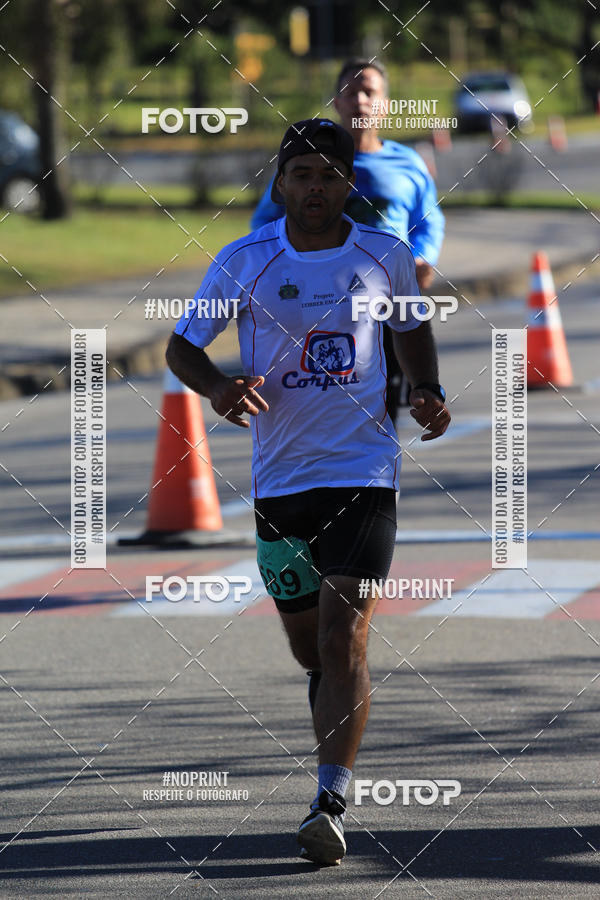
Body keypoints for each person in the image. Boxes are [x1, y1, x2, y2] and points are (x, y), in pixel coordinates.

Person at [166, 118, 450, 866]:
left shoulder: (382, 253)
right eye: (302, 174)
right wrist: (220, 388)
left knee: (342, 632)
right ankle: (334, 714)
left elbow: (410, 326)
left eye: (329, 175)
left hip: (363, 471)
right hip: (280, 480)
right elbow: (182, 346)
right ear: (280, 183)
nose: (315, 188)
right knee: (312, 651)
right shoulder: (245, 260)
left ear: (348, 183)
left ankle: (330, 799)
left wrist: (424, 387)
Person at [251, 59, 445, 425]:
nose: (359, 100)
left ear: (384, 104)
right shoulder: (308, 163)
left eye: (369, 92)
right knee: (323, 385)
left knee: (384, 398)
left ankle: (373, 469)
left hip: (385, 296)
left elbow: (429, 221)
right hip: (320, 295)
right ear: (336, 102)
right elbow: (265, 220)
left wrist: (421, 260)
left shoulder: (408, 163)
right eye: (350, 91)